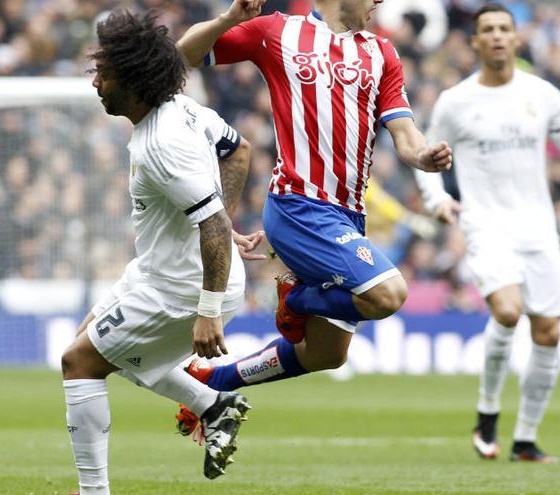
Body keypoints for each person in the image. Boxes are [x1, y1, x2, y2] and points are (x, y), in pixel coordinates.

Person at [171, 0, 452, 434]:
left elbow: (404, 132)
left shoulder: (382, 53)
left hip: (347, 217)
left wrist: (423, 155)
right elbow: (183, 55)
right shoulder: (278, 32)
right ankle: (296, 298)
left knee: (326, 355)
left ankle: (211, 382)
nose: (380, 2)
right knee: (389, 294)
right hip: (297, 204)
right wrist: (229, 19)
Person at [60, 10, 255, 493]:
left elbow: (210, 220)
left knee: (80, 363)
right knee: (94, 340)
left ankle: (93, 491)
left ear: (132, 79)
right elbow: (240, 150)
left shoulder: (160, 145)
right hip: (161, 271)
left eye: (102, 73)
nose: (96, 83)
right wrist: (222, 218)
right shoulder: (183, 110)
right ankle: (213, 405)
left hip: (184, 289)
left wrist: (208, 310)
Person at [414, 3, 560, 463]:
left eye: (504, 29)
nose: (497, 36)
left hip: (538, 226)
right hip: (485, 222)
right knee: (508, 310)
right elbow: (425, 156)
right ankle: (488, 413)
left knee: (549, 333)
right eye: (488, 30)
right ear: (475, 42)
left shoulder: (542, 93)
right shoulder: (456, 101)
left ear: (516, 39)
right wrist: (438, 200)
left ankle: (525, 440)